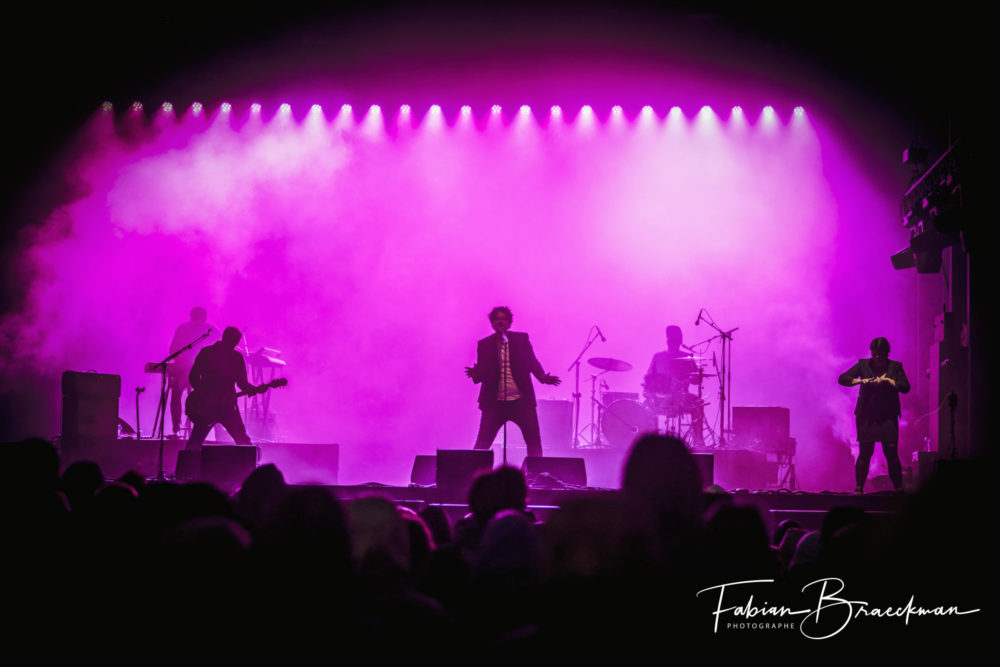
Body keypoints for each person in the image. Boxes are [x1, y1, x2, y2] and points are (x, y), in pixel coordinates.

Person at [466, 306, 560, 457]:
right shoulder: (484, 345)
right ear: (492, 323)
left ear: (509, 323)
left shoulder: (521, 340)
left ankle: (536, 476)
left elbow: (531, 361)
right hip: (494, 403)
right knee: (482, 443)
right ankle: (473, 476)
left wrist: (542, 377)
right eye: (497, 319)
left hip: (521, 402)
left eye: (503, 319)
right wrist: (475, 374)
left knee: (534, 442)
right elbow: (481, 376)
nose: (500, 321)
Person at [838, 337, 910, 493]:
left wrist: (891, 382)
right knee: (865, 451)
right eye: (875, 354)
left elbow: (906, 387)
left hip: (887, 416)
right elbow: (842, 378)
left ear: (887, 353)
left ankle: (898, 488)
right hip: (867, 416)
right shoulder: (863, 365)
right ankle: (859, 488)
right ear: (871, 353)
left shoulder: (895, 367)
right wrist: (861, 381)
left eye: (881, 354)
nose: (877, 357)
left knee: (891, 451)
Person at [184, 326, 260, 451]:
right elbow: (193, 377)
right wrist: (205, 395)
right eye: (235, 340)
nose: (236, 343)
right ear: (228, 338)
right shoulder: (232, 357)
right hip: (220, 407)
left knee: (195, 442)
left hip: (222, 406)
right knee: (242, 441)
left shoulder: (208, 352)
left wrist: (254, 389)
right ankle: (249, 469)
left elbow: (193, 377)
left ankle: (186, 468)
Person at [644, 325, 705, 446]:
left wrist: (691, 379)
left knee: (698, 403)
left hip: (677, 398)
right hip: (662, 399)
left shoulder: (685, 358)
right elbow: (648, 378)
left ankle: (698, 441)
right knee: (698, 402)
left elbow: (697, 379)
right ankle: (698, 441)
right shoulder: (659, 357)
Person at [167, 307, 218, 436]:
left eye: (199, 319)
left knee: (213, 393)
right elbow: (173, 350)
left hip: (202, 372)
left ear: (204, 318)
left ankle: (211, 428)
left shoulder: (211, 330)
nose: (196, 322)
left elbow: (220, 348)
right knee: (176, 391)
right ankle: (176, 427)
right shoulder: (182, 329)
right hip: (184, 370)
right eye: (194, 318)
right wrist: (183, 359)